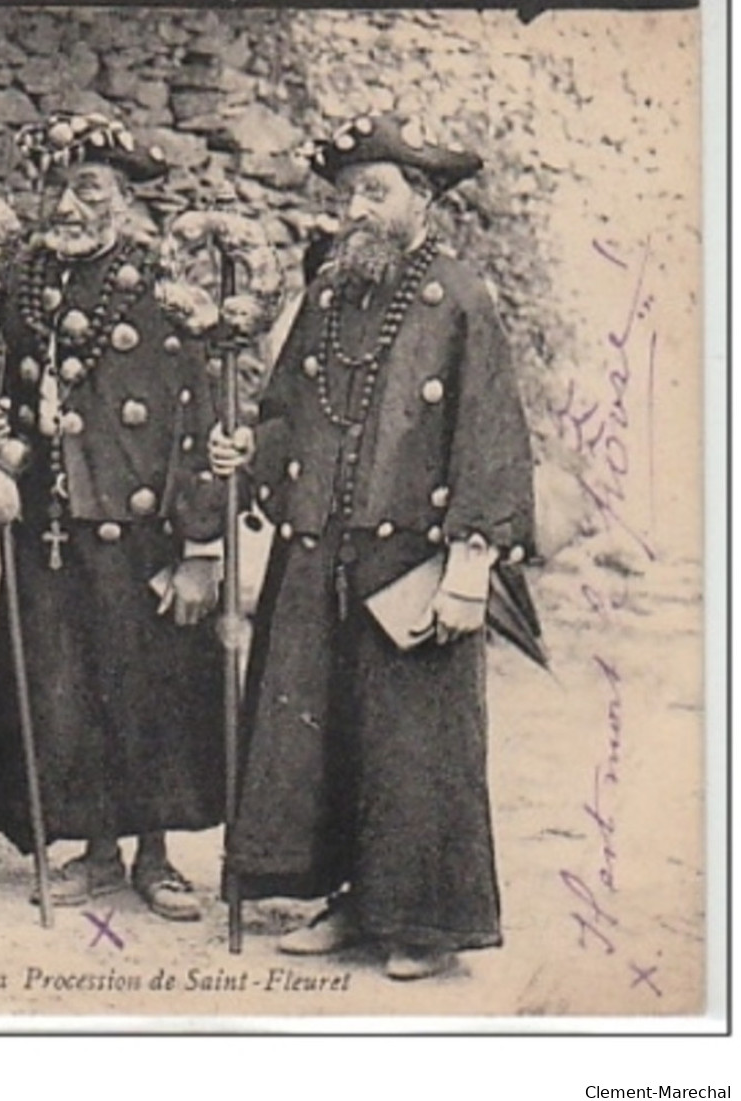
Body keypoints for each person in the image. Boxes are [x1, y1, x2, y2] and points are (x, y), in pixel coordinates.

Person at [208, 115, 536, 979]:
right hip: (317, 552)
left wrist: (470, 565)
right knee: (328, 737)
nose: (355, 208)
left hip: (413, 563)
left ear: (419, 199)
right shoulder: (326, 292)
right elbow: (282, 408)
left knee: (413, 746)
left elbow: (490, 435)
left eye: (374, 191)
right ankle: (347, 903)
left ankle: (421, 925)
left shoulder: (461, 297)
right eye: (348, 192)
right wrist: (252, 451)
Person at [0, 114, 232, 922]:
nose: (69, 205)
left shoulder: (163, 286)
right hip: (51, 523)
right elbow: (16, 400)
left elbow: (201, 417)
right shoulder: (21, 282)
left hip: (142, 530)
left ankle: (155, 854)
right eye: (57, 186)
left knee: (146, 688)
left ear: (121, 198)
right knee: (65, 687)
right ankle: (94, 848)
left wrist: (201, 545)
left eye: (88, 188)